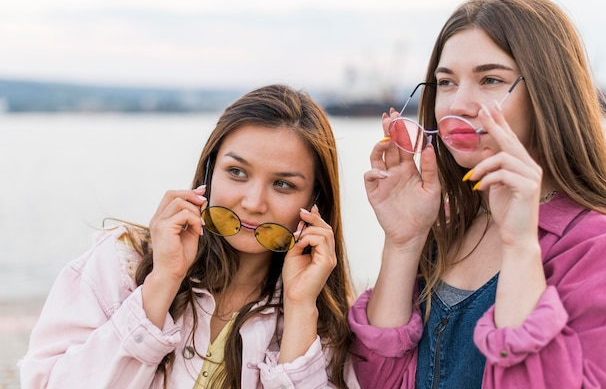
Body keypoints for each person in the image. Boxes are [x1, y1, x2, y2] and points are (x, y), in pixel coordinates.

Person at [348, 0, 606, 389]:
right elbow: (380, 380)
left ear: (548, 93)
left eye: (490, 79)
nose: (458, 104)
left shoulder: (602, 249)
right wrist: (403, 242)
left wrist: (520, 248)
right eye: (446, 83)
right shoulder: (446, 226)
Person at [20, 84, 360, 388]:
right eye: (237, 172)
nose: (253, 203)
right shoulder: (122, 260)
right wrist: (162, 282)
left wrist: (300, 308)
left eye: (283, 184)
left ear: (315, 199)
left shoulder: (325, 317)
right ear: (209, 172)